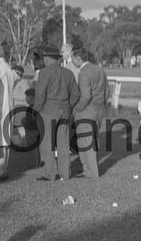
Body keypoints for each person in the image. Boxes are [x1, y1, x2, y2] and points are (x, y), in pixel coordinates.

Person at [32, 45, 79, 181]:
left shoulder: (44, 73)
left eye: (43, 58)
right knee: (64, 144)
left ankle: (50, 174)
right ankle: (65, 174)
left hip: (48, 111)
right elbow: (76, 94)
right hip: (65, 111)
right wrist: (68, 107)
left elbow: (40, 95)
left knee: (48, 144)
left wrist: (36, 110)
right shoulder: (68, 73)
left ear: (47, 59)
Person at [71, 48, 109, 178]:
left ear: (78, 58)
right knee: (94, 140)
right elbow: (107, 92)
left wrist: (78, 108)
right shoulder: (100, 70)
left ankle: (90, 171)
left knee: (85, 142)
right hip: (99, 109)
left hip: (87, 109)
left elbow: (86, 95)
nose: (72, 61)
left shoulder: (83, 72)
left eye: (72, 58)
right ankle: (90, 170)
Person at [0, 42, 16, 179]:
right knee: (5, 140)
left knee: (0, 140)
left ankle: (0, 170)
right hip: (9, 106)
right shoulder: (7, 68)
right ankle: (4, 168)